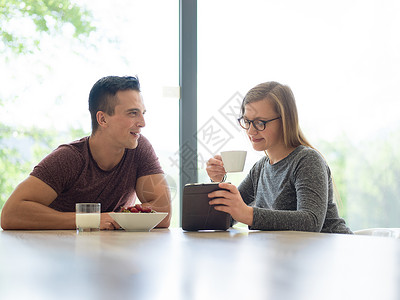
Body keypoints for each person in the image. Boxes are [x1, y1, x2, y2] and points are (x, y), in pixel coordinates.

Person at [1, 76, 171, 230]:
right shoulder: (69, 158)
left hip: (112, 253)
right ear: (102, 119)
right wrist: (89, 220)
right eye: (133, 113)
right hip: (56, 253)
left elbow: (163, 214)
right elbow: (10, 214)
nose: (142, 122)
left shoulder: (139, 148)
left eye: (142, 113)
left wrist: (117, 218)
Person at [206, 81, 352, 234]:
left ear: (285, 120)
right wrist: (217, 182)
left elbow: (311, 221)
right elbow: (226, 217)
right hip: (291, 254)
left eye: (259, 122)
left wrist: (249, 214)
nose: (250, 131)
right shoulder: (260, 168)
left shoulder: (307, 160)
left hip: (335, 251)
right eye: (247, 122)